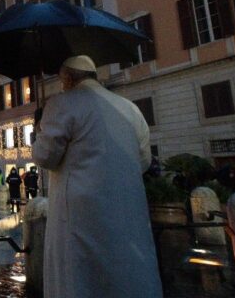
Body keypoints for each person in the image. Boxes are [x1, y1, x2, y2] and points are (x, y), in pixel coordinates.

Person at [32, 55, 162, 298]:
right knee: (128, 274)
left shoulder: (62, 103)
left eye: (62, 80)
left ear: (68, 78)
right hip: (127, 210)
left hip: (80, 213)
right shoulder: (130, 109)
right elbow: (142, 161)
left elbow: (45, 156)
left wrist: (39, 131)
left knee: (80, 278)